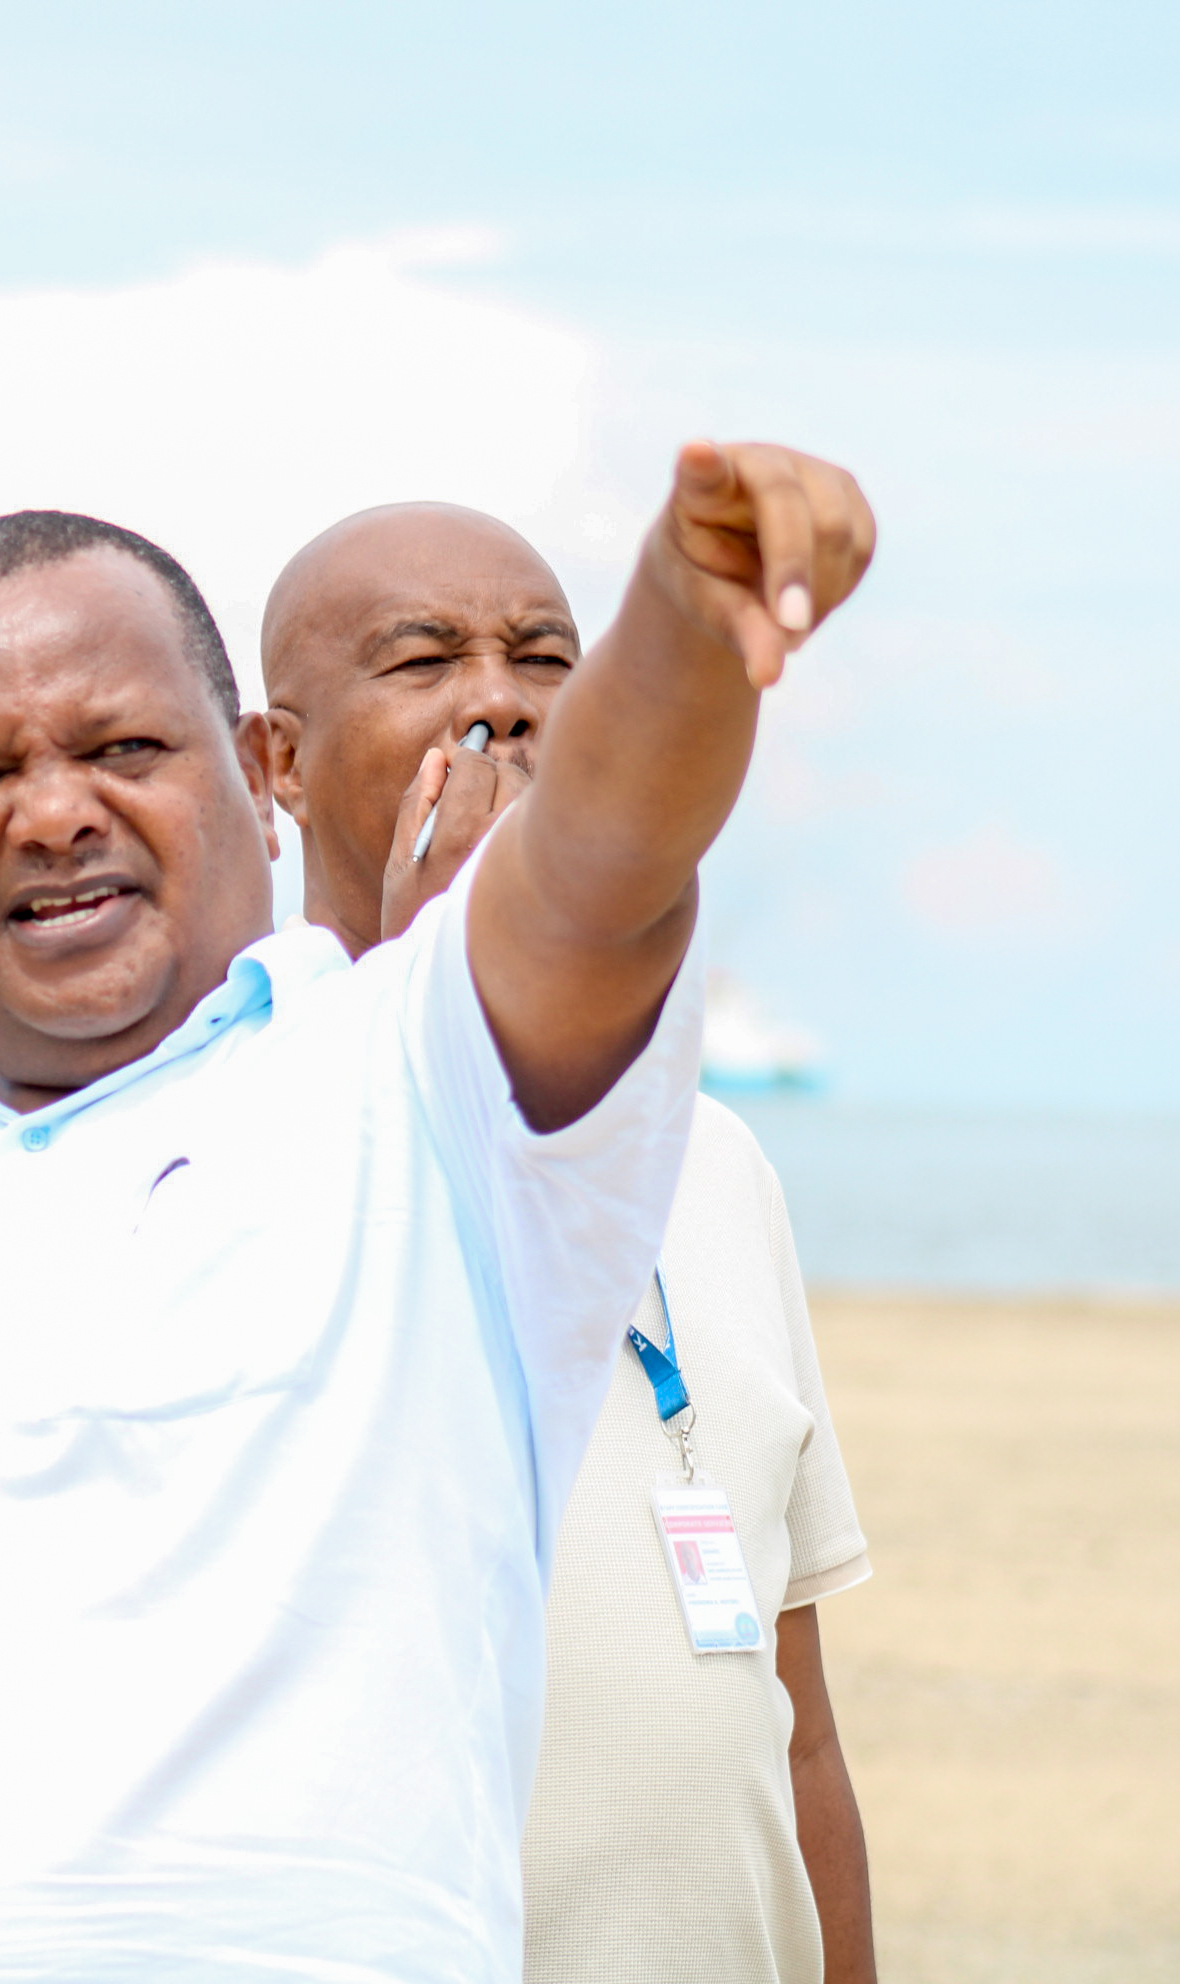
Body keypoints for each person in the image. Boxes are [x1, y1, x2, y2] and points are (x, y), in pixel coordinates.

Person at [0, 441, 876, 1981]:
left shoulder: (402, 1098)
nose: (54, 814)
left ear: (248, 778)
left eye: (124, 751)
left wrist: (683, 621)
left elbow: (594, 871)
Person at [259, 502, 877, 1984]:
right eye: (424, 659)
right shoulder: (230, 1131)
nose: (500, 698)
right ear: (272, 762)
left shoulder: (720, 1163)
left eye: (546, 657)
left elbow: (789, 1729)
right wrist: (436, 1006)